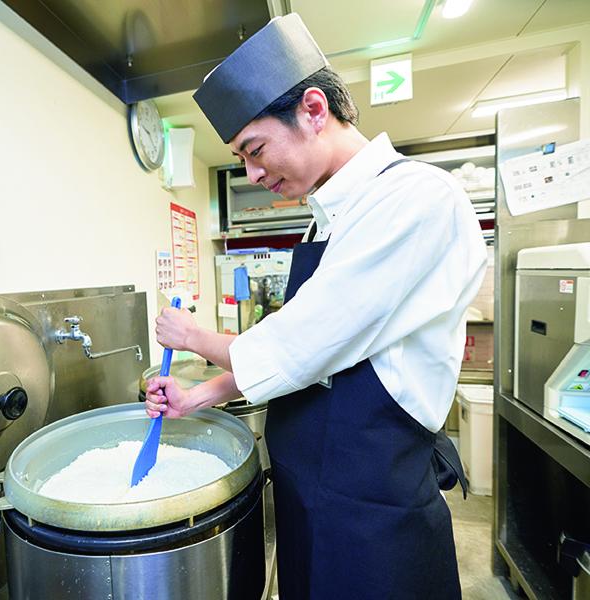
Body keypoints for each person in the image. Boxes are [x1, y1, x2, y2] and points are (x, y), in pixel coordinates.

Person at [144, 13, 487, 600]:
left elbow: (298, 346)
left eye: (254, 150)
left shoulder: (415, 199)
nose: (252, 173)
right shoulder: (322, 222)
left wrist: (192, 336)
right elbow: (313, 364)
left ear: (312, 109)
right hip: (310, 498)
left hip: (372, 511)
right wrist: (198, 395)